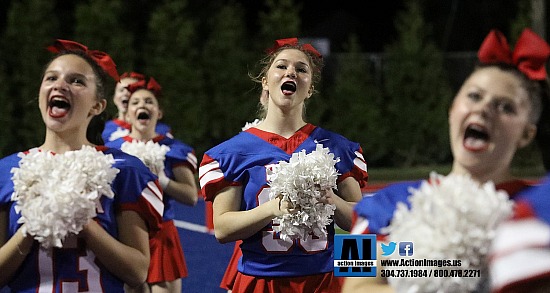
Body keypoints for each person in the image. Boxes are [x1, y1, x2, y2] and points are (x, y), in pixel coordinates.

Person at [342, 28, 550, 292]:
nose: (484, 108)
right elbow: (352, 285)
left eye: (505, 107)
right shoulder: (381, 204)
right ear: (453, 109)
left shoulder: (540, 208)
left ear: (526, 134)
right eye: (474, 96)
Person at [199, 38, 368, 293]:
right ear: (265, 81)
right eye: (281, 66)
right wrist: (273, 208)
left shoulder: (336, 147)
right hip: (261, 281)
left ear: (309, 88)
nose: (291, 72)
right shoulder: (232, 153)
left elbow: (361, 223)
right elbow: (222, 229)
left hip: (324, 279)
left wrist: (331, 199)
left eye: (301, 69)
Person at [0, 39, 164, 292]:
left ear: (97, 106)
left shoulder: (124, 169)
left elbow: (137, 272)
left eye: (76, 81)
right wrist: (33, 226)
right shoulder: (7, 170)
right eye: (51, 78)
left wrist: (83, 223)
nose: (60, 85)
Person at [106, 76, 198, 293]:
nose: (142, 106)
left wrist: (162, 180)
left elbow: (191, 196)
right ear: (127, 114)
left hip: (161, 234)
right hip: (125, 232)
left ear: (159, 112)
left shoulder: (173, 149)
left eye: (149, 101)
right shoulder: (112, 149)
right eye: (135, 102)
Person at [102, 71, 172, 143]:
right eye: (121, 90)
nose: (126, 93)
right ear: (114, 98)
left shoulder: (162, 130)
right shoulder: (103, 130)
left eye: (130, 89)